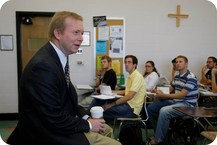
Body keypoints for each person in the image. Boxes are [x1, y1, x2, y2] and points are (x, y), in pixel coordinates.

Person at [7, 11, 121, 145]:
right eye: (76, 32)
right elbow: (53, 118)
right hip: (47, 134)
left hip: (59, 124)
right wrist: (88, 125)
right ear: (58, 34)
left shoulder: (58, 58)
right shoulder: (44, 66)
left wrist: (86, 116)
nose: (81, 38)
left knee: (106, 129)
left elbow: (68, 98)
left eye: (82, 33)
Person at [147, 55, 198, 145]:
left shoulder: (191, 77)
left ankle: (158, 140)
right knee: (151, 108)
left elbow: (182, 95)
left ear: (186, 64)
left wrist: (163, 95)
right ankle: (161, 134)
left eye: (180, 61)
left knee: (164, 111)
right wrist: (158, 91)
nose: (177, 63)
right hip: (177, 102)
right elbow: (170, 89)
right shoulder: (177, 76)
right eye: (176, 62)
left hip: (188, 105)